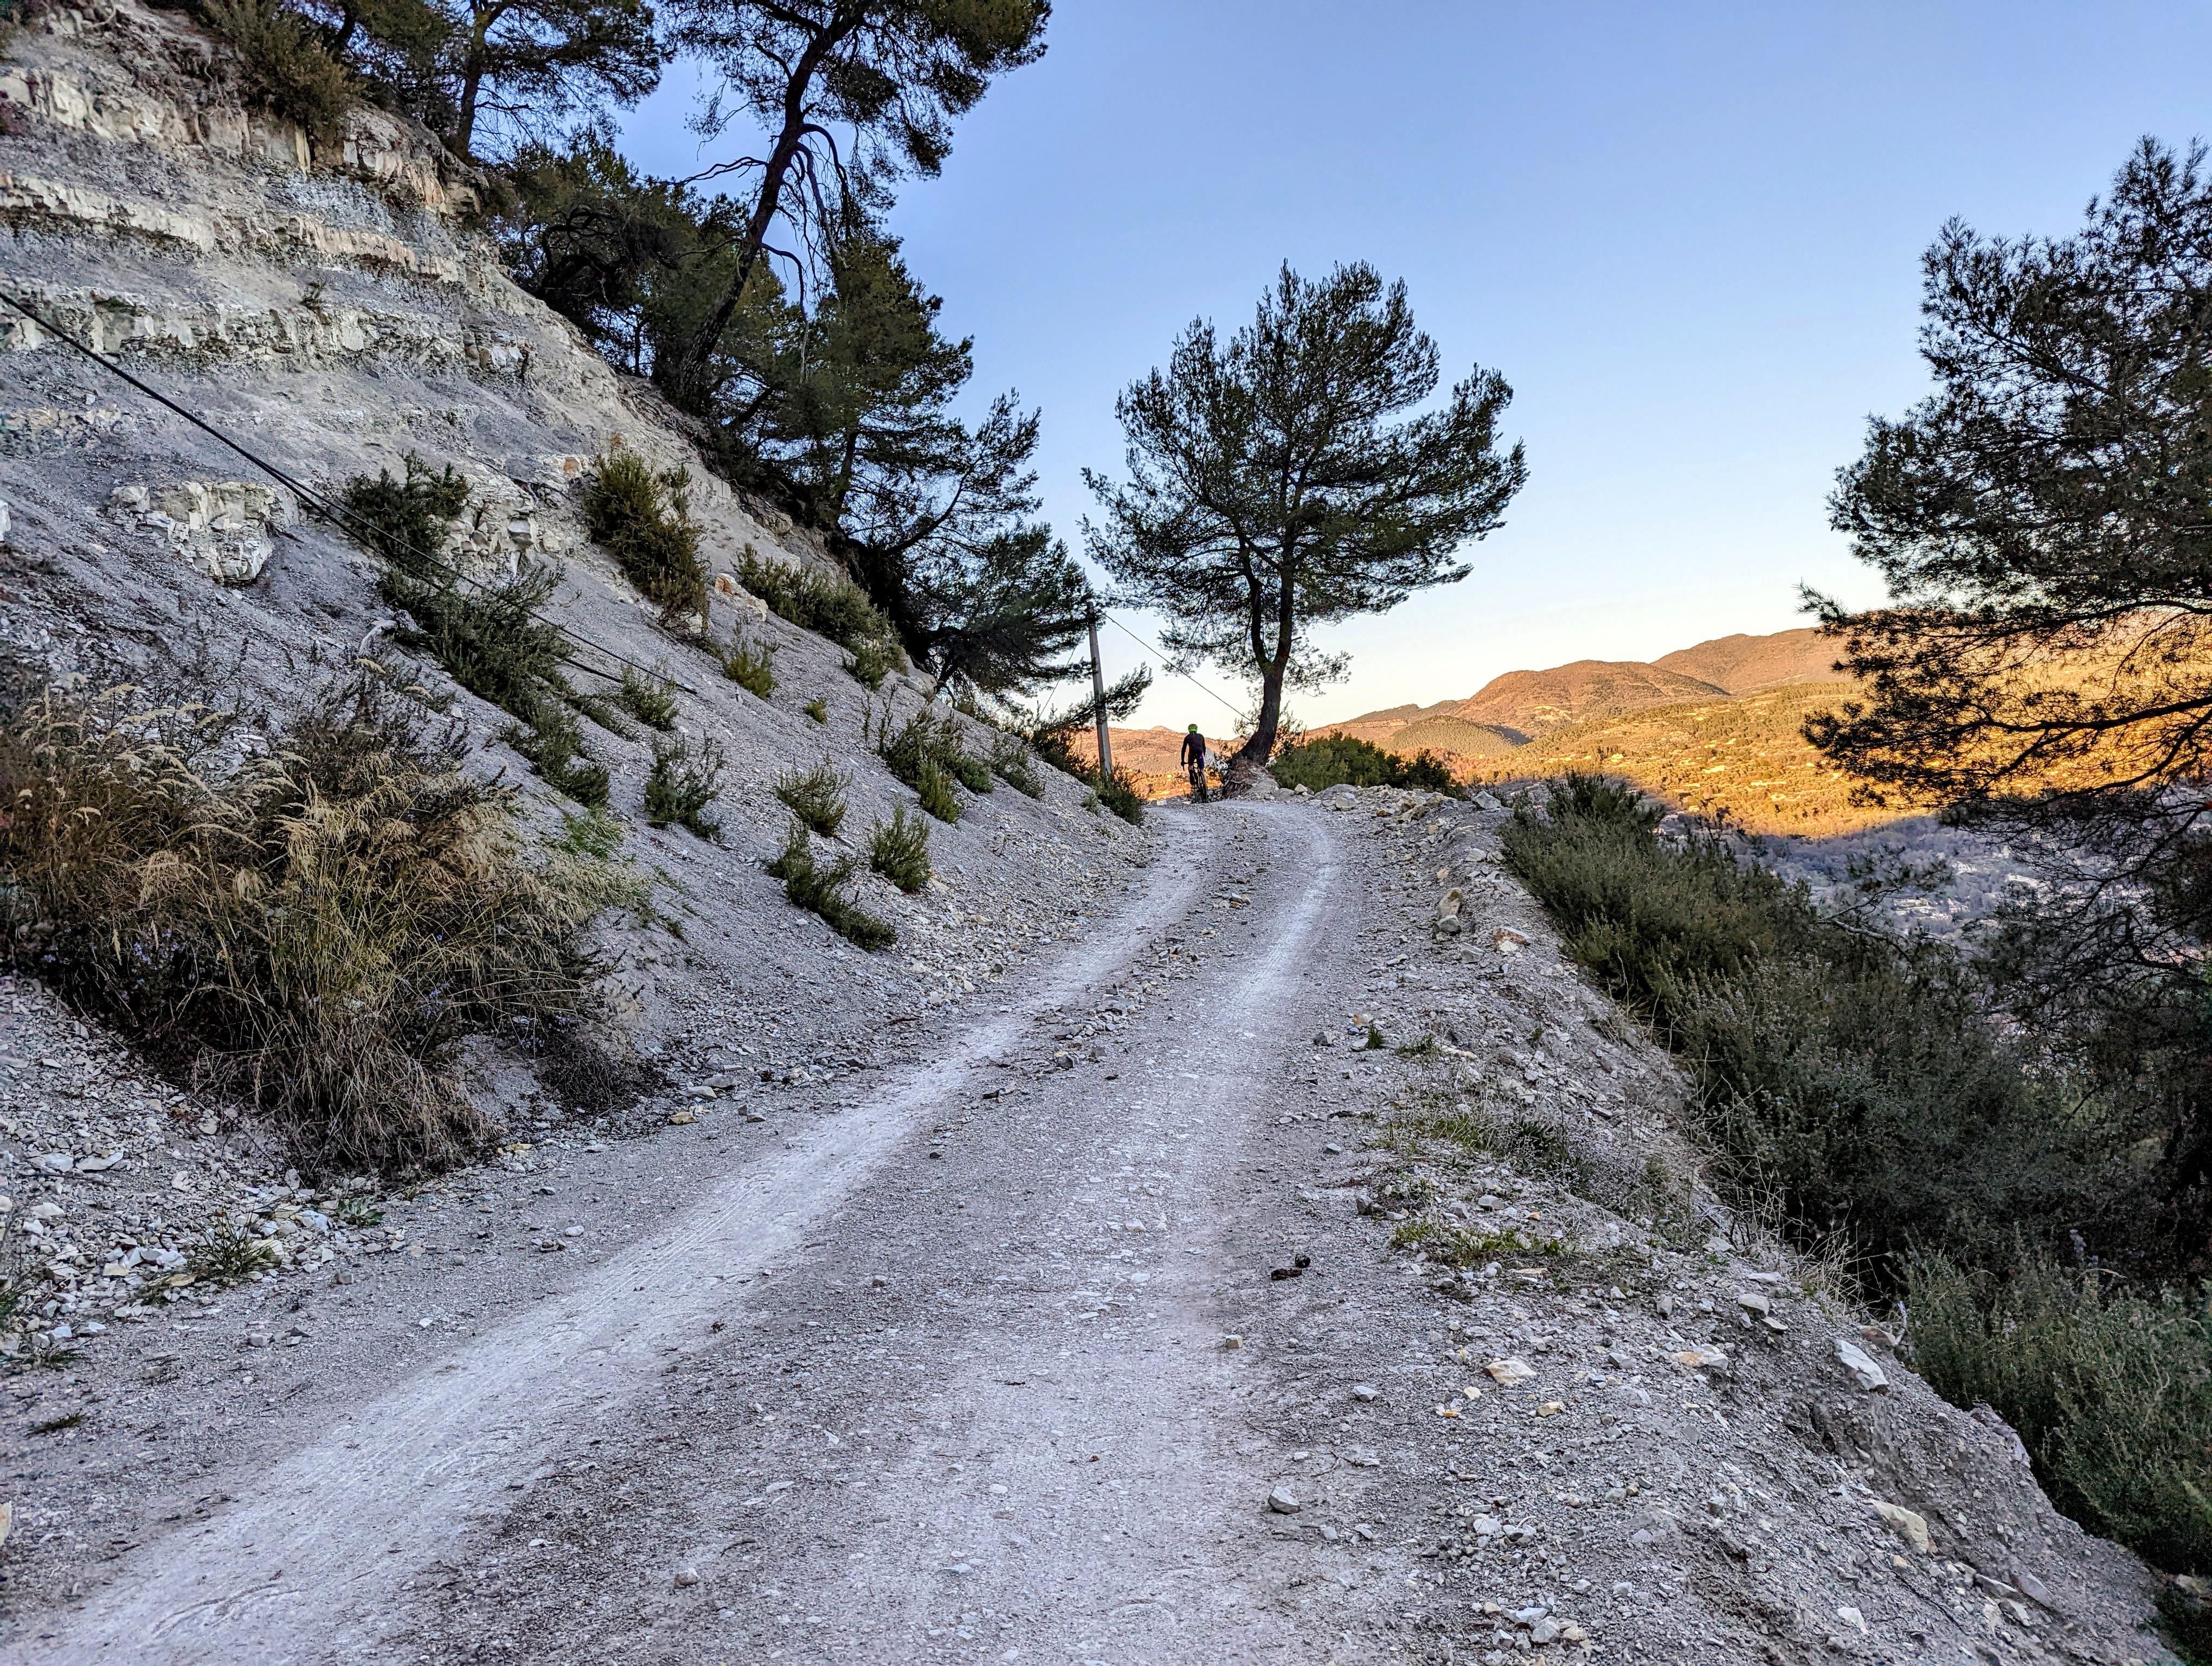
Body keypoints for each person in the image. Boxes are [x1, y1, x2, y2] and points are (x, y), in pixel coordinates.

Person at [1180, 724, 1209, 803]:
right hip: (1200, 753)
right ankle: (1203, 779)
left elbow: (1184, 750)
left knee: (1190, 766)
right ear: (1197, 729)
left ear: (1189, 730)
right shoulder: (1201, 736)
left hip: (1192, 754)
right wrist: (1204, 756)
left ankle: (1192, 776)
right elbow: (1204, 748)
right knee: (1202, 769)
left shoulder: (1187, 737)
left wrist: (1182, 761)